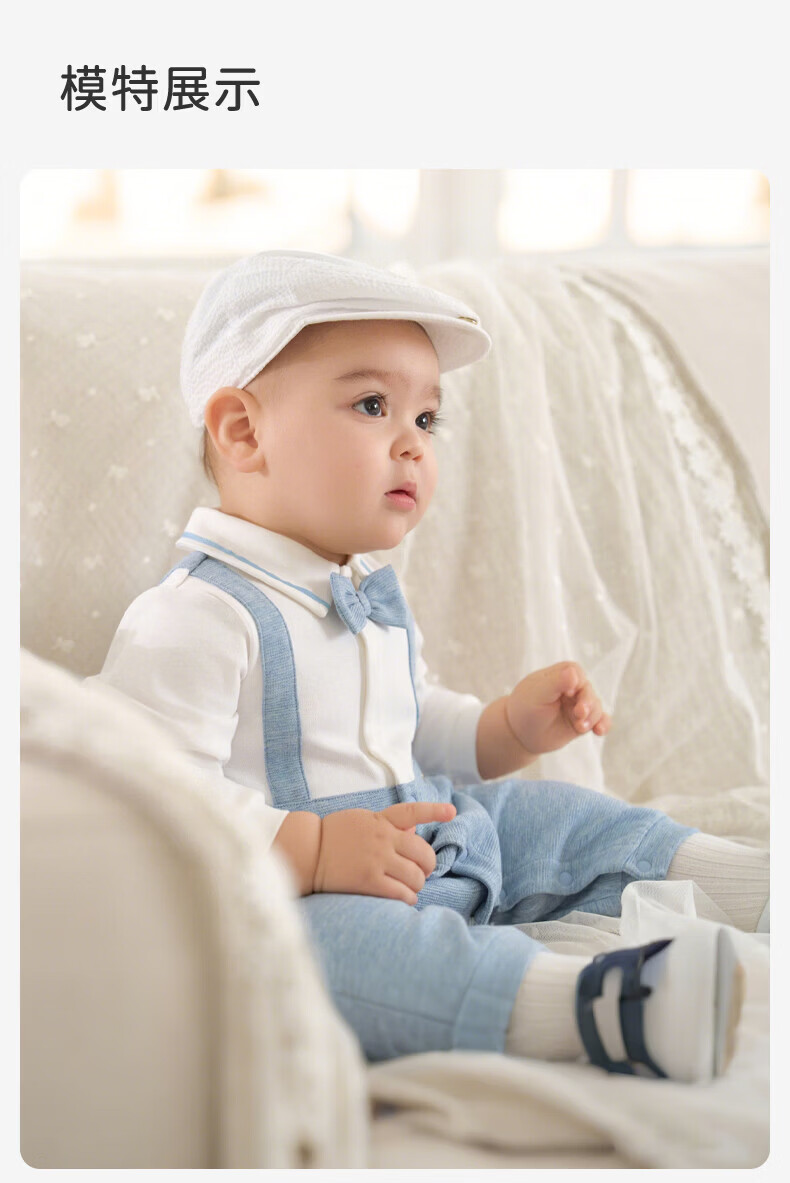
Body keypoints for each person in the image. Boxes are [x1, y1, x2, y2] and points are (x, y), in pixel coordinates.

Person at [92, 249, 768, 1082]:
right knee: (331, 956)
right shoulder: (198, 613)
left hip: (433, 835)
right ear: (243, 430)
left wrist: (507, 725)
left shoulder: (365, 589)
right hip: (310, 891)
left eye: (426, 419)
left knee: (556, 818)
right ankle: (595, 1005)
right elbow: (148, 794)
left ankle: (749, 883)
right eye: (373, 406)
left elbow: (412, 721)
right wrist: (311, 849)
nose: (412, 444)